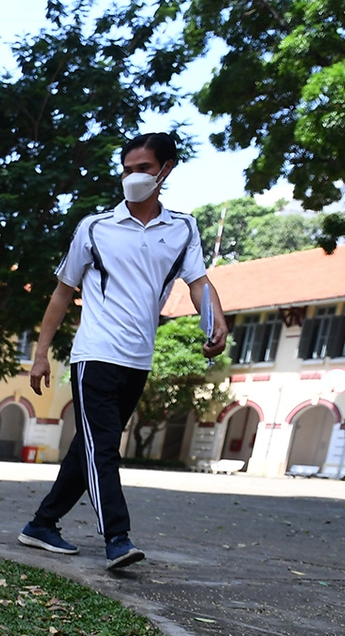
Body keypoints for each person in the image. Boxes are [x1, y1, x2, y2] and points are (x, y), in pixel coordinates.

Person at [19, 132, 226, 570]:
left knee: (89, 448)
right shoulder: (95, 227)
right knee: (105, 448)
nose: (133, 177)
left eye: (144, 169)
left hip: (138, 359)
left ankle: (41, 524)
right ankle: (117, 536)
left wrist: (214, 320)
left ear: (166, 170)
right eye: (127, 169)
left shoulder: (183, 227)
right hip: (94, 355)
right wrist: (40, 353)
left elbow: (198, 283)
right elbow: (62, 293)